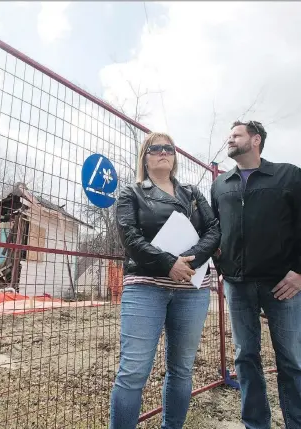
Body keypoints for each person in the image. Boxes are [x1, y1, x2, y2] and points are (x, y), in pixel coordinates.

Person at [211, 120, 301, 429]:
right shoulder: (221, 184)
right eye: (229, 135)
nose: (229, 139)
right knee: (245, 359)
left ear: (256, 139)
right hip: (238, 285)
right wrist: (222, 268)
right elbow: (215, 233)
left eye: (236, 135)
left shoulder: (288, 176)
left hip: (282, 286)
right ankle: (255, 424)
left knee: (291, 361)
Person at [110, 132, 221, 429]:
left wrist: (190, 260)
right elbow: (129, 238)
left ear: (174, 157)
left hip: (192, 291)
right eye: (154, 148)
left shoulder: (193, 193)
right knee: (133, 371)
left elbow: (213, 229)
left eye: (168, 148)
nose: (162, 152)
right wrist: (167, 263)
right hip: (146, 287)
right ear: (144, 157)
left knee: (182, 369)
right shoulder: (130, 193)